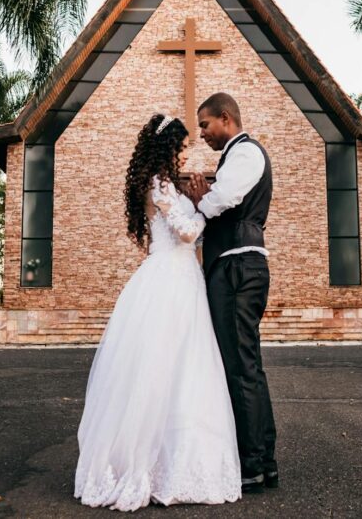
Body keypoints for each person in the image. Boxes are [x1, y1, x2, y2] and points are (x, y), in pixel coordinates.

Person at [74, 113, 240, 512]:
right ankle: (147, 466)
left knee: (184, 368)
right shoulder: (160, 184)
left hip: (182, 277)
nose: (186, 154)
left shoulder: (161, 183)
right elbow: (185, 232)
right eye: (182, 147)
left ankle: (176, 462)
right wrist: (205, 208)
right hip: (170, 279)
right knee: (164, 366)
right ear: (168, 148)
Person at [186, 92, 279, 494]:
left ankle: (254, 464)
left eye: (205, 125)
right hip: (235, 266)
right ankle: (263, 462)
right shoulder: (233, 156)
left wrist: (197, 204)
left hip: (239, 269)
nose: (202, 133)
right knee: (245, 366)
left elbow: (225, 198)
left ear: (226, 118)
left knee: (240, 367)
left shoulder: (246, 153)